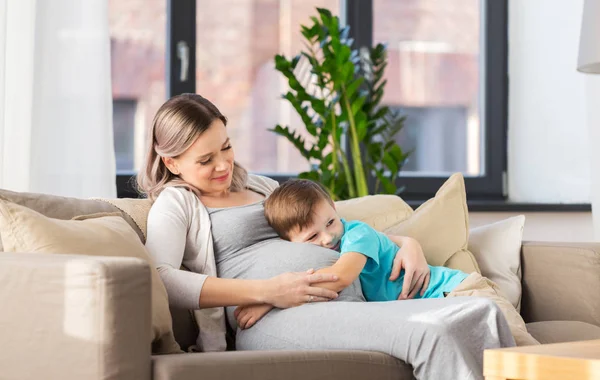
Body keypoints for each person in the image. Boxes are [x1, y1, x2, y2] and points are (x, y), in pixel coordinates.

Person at [138, 93, 515, 380]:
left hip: (348, 297)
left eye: (226, 147)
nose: (223, 165)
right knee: (431, 333)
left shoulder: (262, 187)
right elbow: (163, 280)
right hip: (274, 318)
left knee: (482, 313)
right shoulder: (177, 204)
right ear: (171, 162)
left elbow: (338, 228)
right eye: (205, 161)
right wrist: (266, 292)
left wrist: (407, 244)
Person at [250, 179, 538, 347]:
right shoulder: (332, 248)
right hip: (438, 310)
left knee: (525, 355)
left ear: (336, 209)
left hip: (461, 291)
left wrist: (270, 298)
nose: (327, 238)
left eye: (330, 222)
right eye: (313, 236)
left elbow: (340, 278)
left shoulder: (355, 234)